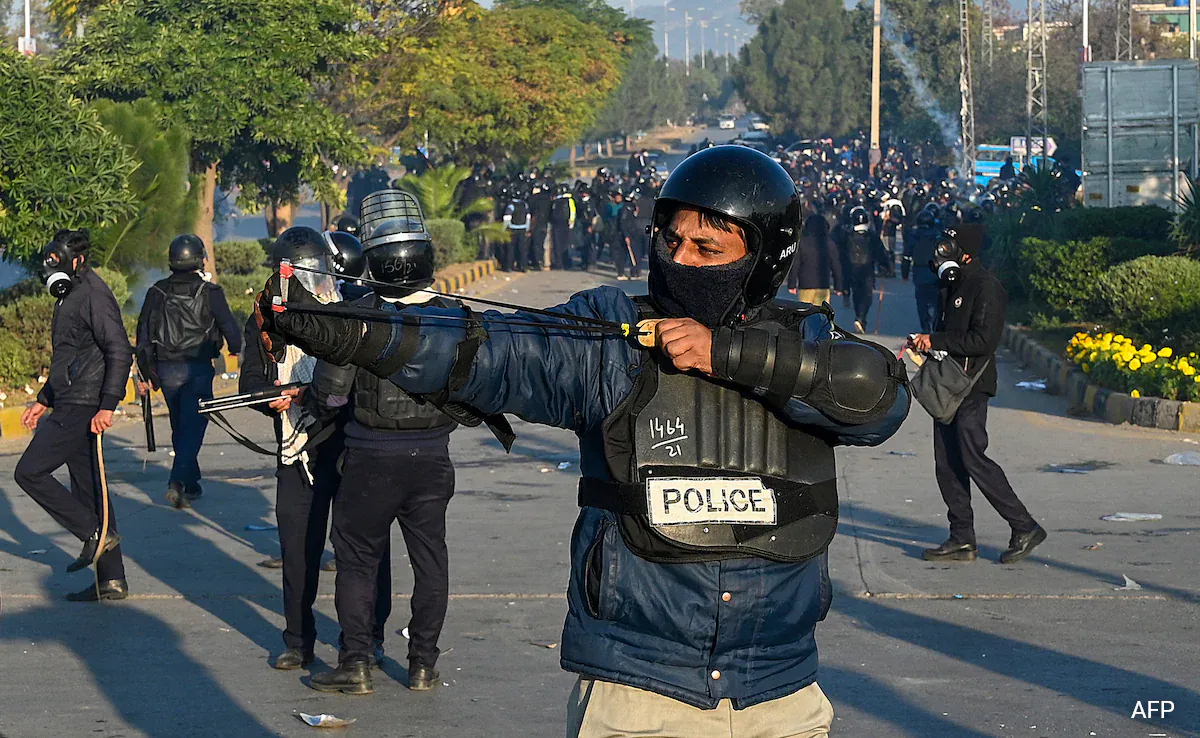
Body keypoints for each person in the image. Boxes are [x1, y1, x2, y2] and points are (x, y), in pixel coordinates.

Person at [255, 145, 910, 736]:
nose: (680, 261)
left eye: (707, 251)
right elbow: (492, 354)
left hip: (781, 700)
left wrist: (725, 354)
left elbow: (879, 397)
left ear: (765, 257)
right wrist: (343, 327)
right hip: (638, 698)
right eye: (670, 240)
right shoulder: (612, 333)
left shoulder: (809, 343)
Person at [306, 204, 459, 695]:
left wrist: (311, 403)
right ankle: (423, 665)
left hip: (371, 454)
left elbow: (330, 392)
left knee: (356, 559)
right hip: (432, 456)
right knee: (430, 559)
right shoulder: (453, 318)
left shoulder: (361, 317)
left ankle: (356, 662)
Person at [239, 227, 373, 670]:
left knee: (360, 553)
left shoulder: (349, 312)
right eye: (292, 276)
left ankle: (364, 641)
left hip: (348, 447)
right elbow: (251, 385)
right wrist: (270, 398)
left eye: (311, 273)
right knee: (297, 552)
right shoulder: (264, 320)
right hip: (295, 453)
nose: (303, 284)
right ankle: (298, 640)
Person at [909, 227, 1047, 565]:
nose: (942, 253)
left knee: (974, 459)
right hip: (947, 384)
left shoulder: (987, 287)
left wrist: (936, 341)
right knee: (947, 463)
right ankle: (961, 538)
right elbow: (946, 330)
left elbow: (982, 342)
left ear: (967, 253)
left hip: (971, 386)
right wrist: (925, 341)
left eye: (949, 247)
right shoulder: (952, 285)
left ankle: (1024, 526)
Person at [14, 229, 134, 602]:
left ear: (77, 261)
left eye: (59, 261)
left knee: (29, 471)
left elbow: (120, 350)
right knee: (90, 489)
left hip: (83, 404)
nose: (53, 268)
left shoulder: (93, 295)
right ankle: (110, 580)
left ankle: (92, 533)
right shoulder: (70, 295)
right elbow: (69, 355)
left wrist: (108, 405)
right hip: (69, 398)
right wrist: (43, 399)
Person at [135, 234, 242, 508]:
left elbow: (143, 336)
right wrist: (235, 348)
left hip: (167, 370)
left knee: (180, 426)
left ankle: (191, 483)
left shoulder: (156, 291)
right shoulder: (212, 293)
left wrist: (146, 372)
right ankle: (175, 481)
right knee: (193, 428)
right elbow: (230, 327)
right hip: (197, 369)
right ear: (199, 258)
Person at [835, 206, 888, 333]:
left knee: (857, 294)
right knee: (867, 296)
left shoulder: (847, 235)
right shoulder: (872, 236)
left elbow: (841, 252)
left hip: (852, 268)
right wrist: (885, 265)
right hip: (867, 269)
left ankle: (859, 316)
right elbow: (880, 252)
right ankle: (861, 317)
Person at [787, 202, 842, 306]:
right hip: (823, 285)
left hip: (805, 285)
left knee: (806, 314)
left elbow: (795, 264)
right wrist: (838, 286)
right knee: (821, 314)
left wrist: (792, 284)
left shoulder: (802, 243)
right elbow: (836, 265)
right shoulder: (829, 243)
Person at [902, 208, 942, 333]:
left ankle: (925, 327)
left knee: (922, 303)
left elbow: (907, 256)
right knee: (937, 303)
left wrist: (905, 273)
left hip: (919, 273)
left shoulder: (913, 236)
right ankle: (936, 326)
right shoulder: (938, 236)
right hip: (936, 273)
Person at [501, 188, 531, 272]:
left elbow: (507, 219)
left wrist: (503, 230)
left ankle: (509, 267)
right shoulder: (525, 205)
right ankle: (523, 266)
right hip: (522, 229)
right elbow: (528, 218)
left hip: (512, 230)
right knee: (522, 249)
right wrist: (527, 228)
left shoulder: (511, 205)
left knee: (510, 249)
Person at [615, 189, 642, 281]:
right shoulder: (625, 209)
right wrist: (626, 235)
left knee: (634, 253)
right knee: (623, 254)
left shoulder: (632, 207)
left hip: (632, 234)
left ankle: (634, 272)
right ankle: (621, 273)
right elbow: (623, 223)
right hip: (625, 235)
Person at [550, 183, 577, 271]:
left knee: (558, 244)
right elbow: (573, 212)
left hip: (557, 224)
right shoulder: (569, 200)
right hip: (565, 224)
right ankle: (565, 263)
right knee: (565, 244)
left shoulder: (556, 201)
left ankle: (559, 264)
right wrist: (571, 222)